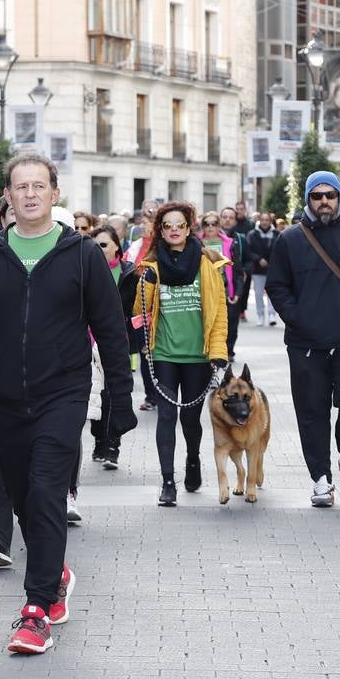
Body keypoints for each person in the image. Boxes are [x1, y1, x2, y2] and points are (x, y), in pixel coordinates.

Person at [0, 153, 135, 655]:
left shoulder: (81, 255)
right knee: (26, 495)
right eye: (20, 186)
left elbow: (110, 331)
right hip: (5, 398)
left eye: (39, 186)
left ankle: (35, 611)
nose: (30, 194)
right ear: (7, 197)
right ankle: (55, 575)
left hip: (64, 393)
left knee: (47, 489)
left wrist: (120, 398)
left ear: (55, 194)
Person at [266, 171, 340, 508]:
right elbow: (276, 286)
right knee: (311, 410)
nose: (323, 201)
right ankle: (320, 479)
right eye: (316, 195)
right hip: (305, 342)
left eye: (329, 195)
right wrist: (298, 318)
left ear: (338, 198)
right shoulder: (290, 239)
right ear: (307, 199)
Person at [135, 202, 229, 506]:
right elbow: (139, 313)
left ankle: (192, 459)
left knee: (191, 419)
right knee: (166, 415)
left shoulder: (207, 264)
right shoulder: (152, 266)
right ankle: (167, 482)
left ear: (189, 229)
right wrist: (146, 287)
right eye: (167, 225)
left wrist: (219, 353)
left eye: (180, 225)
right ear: (159, 231)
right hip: (164, 353)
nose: (174, 230)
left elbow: (219, 314)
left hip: (197, 356)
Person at [88, 225, 140, 470]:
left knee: (113, 392)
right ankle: (99, 439)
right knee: (96, 393)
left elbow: (137, 309)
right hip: (90, 342)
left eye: (104, 245)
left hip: (119, 342)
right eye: (95, 245)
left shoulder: (130, 274)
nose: (99, 250)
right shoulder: (86, 270)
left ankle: (112, 446)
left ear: (117, 247)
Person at [202, 210, 241, 359]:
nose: (210, 227)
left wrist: (237, 292)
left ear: (219, 226)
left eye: (214, 223)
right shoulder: (195, 242)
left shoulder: (229, 243)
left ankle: (228, 351)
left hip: (226, 290)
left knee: (229, 324)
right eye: (207, 223)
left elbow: (238, 269)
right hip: (204, 291)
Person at [245, 213, 279, 327]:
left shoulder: (276, 234)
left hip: (272, 269)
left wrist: (271, 261)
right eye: (263, 220)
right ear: (259, 220)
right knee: (258, 294)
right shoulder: (252, 234)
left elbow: (280, 250)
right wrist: (258, 259)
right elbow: (248, 251)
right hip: (257, 269)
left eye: (267, 220)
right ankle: (260, 315)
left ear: (270, 221)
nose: (264, 222)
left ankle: (271, 315)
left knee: (272, 293)